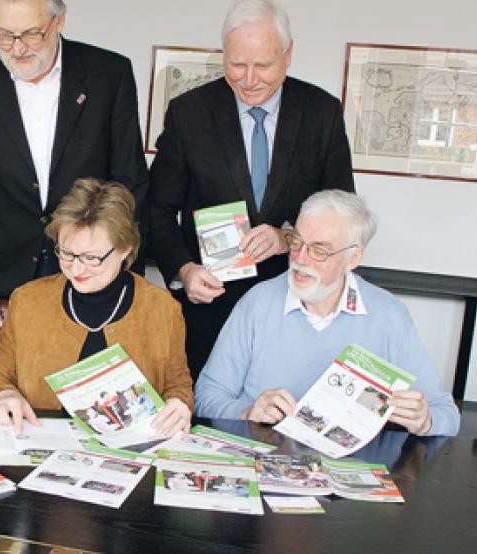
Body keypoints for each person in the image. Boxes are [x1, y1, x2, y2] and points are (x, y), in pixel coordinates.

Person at [148, 0, 355, 379]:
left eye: (263, 65)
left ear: (288, 54)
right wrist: (185, 270)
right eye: (237, 64)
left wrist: (287, 237)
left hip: (294, 300)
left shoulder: (321, 113)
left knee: (280, 415)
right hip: (211, 306)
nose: (249, 78)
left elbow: (342, 212)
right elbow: (157, 209)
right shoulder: (189, 113)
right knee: (207, 418)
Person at [0, 0, 149, 351]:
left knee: (92, 391)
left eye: (32, 35)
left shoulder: (108, 73)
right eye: (4, 35)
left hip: (94, 275)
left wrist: (121, 271)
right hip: (2, 282)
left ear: (59, 20)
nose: (17, 48)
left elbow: (130, 183)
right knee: (7, 394)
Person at [194, 190, 460, 436]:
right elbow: (206, 396)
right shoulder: (257, 303)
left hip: (350, 470)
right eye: (296, 242)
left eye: (319, 250)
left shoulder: (388, 315)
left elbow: (447, 414)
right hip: (262, 459)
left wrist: (425, 421)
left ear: (354, 258)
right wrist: (246, 412)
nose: (300, 259)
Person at [0, 179, 192, 435]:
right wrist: (5, 394)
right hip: (43, 443)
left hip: (128, 455)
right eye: (66, 253)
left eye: (91, 258)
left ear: (125, 249)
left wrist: (179, 403)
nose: (76, 269)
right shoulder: (28, 300)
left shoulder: (162, 309)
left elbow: (178, 384)